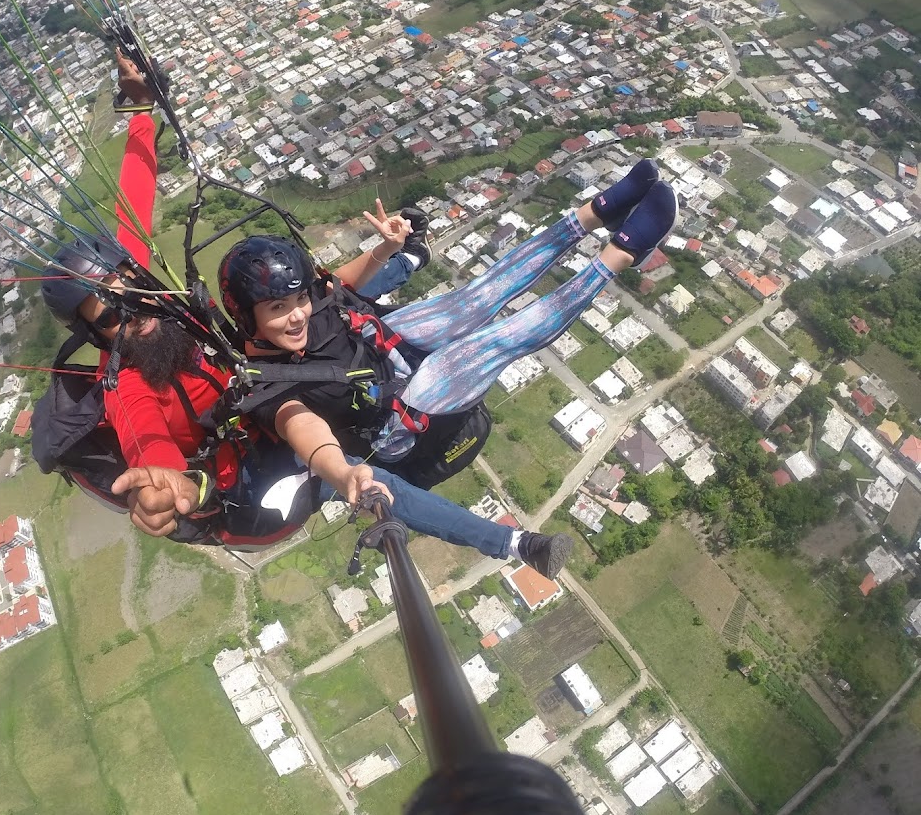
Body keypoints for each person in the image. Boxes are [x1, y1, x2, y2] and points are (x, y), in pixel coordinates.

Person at [39, 51, 575, 575]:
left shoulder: (153, 305)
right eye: (111, 316)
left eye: (132, 293)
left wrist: (138, 110)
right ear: (95, 333)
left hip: (262, 380)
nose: (135, 312)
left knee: (322, 311)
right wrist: (165, 482)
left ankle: (403, 256)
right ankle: (516, 545)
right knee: (358, 477)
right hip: (250, 478)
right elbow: (147, 439)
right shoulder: (129, 386)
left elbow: (132, 199)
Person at [216, 162, 676, 500]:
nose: (297, 315)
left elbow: (337, 285)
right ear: (246, 315)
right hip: (400, 414)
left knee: (476, 298)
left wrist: (385, 248)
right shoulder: (269, 388)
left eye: (298, 301)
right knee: (495, 341)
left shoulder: (302, 302)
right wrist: (342, 474)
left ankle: (591, 214)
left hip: (383, 348)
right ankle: (620, 255)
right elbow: (306, 432)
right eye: (278, 308)